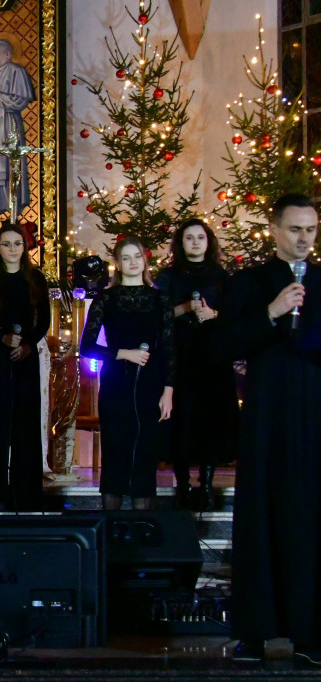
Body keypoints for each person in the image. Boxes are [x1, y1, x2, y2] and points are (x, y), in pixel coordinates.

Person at [212, 194, 321, 665]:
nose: (304, 239)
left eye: (311, 230)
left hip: (314, 412)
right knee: (259, 512)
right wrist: (271, 313)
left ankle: (311, 632)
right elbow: (221, 343)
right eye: (295, 229)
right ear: (275, 230)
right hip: (266, 414)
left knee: (311, 519)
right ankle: (255, 632)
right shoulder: (250, 283)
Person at [79, 237, 174, 511]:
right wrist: (123, 353)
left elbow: (169, 348)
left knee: (145, 452)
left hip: (151, 382)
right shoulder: (105, 299)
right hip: (116, 381)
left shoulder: (160, 299)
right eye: (126, 258)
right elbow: (87, 346)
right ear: (118, 264)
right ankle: (112, 532)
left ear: (145, 260)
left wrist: (168, 390)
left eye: (137, 257)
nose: (132, 262)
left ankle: (140, 531)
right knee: (116, 449)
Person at [154, 218, 237, 510]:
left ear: (208, 241)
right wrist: (187, 309)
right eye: (189, 238)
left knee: (211, 419)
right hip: (181, 355)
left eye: (200, 237)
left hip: (213, 357)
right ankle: (183, 484)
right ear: (181, 242)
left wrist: (213, 315)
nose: (195, 243)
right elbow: (159, 313)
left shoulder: (220, 275)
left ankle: (207, 482)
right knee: (182, 420)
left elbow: (232, 314)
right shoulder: (169, 276)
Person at [0, 224, 50, 511]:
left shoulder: (36, 279)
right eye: (7, 244)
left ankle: (26, 496)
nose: (13, 249)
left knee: (24, 428)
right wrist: (1, 338)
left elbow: (43, 319)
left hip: (25, 360)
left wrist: (28, 344)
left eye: (18, 243)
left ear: (25, 247)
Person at [0, 39, 35, 213]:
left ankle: (13, 203)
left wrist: (0, 96)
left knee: (9, 161)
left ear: (8, 54)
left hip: (7, 125)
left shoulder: (16, 72)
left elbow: (22, 100)